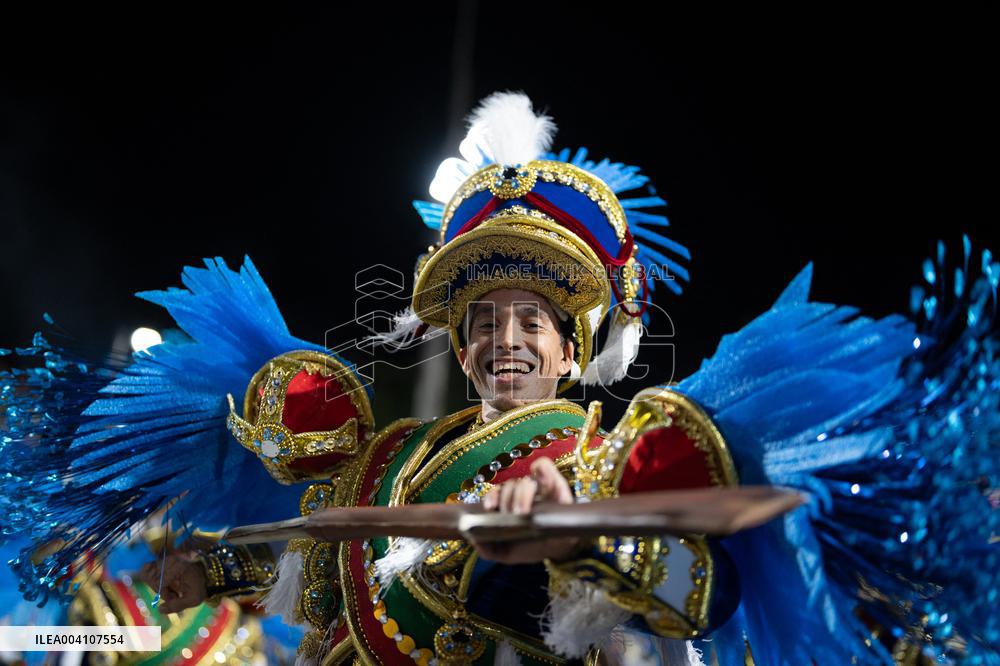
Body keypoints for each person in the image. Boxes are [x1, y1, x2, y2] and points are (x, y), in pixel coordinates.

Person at [2, 92, 997, 666]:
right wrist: (205, 572)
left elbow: (694, 597)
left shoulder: (618, 459)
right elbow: (303, 565)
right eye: (484, 322)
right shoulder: (381, 456)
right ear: (461, 343)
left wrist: (582, 528)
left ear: (571, 349)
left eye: (532, 321)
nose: (506, 339)